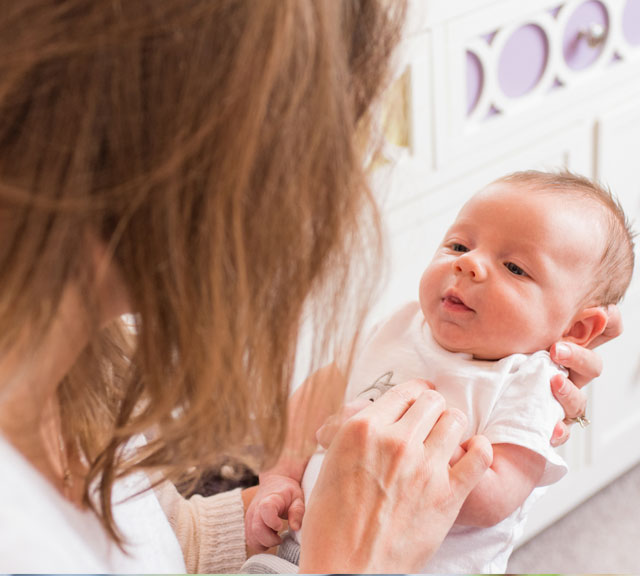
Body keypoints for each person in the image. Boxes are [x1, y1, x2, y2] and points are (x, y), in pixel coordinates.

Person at [0, 1, 617, 573]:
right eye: (458, 245)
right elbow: (325, 389)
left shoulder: (92, 367)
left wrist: (251, 519)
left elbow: (158, 541)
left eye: (517, 269)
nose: (323, 201)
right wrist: (299, 489)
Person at [245, 170, 634, 573]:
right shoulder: (401, 325)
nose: (469, 264)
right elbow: (311, 400)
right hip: (295, 545)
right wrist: (278, 478)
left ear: (576, 329)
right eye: (459, 245)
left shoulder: (530, 384)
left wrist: (398, 450)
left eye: (515, 268)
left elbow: (495, 499)